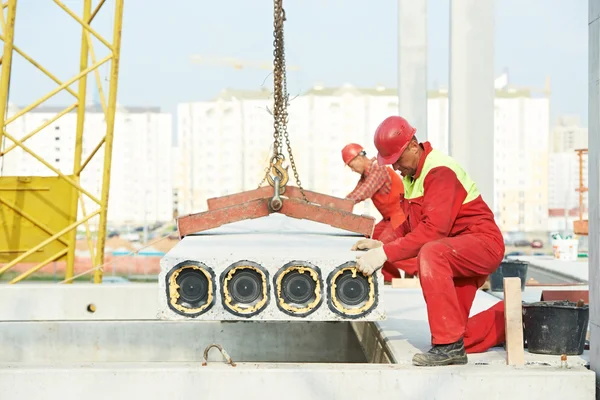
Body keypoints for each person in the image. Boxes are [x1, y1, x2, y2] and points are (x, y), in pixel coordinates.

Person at [352, 115, 506, 367]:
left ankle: (448, 348)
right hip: (455, 249)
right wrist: (380, 244)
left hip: (480, 244)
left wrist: (385, 255)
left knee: (431, 253)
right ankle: (510, 321)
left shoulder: (440, 171)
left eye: (397, 160)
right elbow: (411, 224)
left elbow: (434, 231)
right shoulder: (414, 175)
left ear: (414, 146)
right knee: (458, 332)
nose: (395, 168)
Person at [341, 143, 406, 282]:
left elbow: (363, 192)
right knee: (368, 241)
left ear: (359, 158)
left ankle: (418, 269)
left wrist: (340, 205)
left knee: (383, 246)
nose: (352, 170)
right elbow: (354, 193)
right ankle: (389, 278)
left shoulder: (377, 168)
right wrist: (340, 205)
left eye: (352, 166)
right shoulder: (366, 175)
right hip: (389, 218)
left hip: (401, 215)